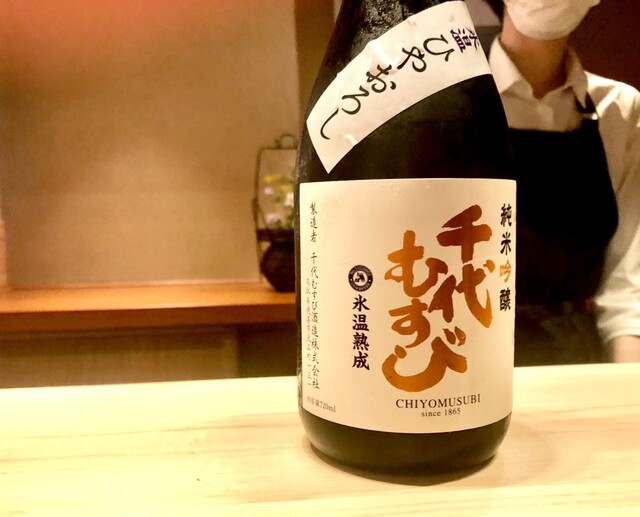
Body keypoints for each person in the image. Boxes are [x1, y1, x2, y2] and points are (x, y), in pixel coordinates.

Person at [481, 0, 640, 364]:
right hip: (466, 355)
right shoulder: (446, 100)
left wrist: (628, 391)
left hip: (578, 363)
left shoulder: (619, 108)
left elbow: (627, 289)